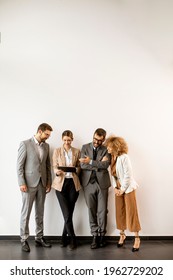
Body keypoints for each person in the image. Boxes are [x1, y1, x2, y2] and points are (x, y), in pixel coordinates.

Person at [17, 123, 53, 252]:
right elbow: (19, 166)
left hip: (42, 184)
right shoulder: (25, 144)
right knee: (26, 212)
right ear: (39, 131)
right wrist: (21, 182)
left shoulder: (47, 146)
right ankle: (24, 239)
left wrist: (49, 182)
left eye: (49, 135)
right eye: (46, 134)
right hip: (28, 184)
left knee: (40, 212)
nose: (48, 137)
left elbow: (48, 166)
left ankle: (39, 237)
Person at [105, 136, 141, 252]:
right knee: (119, 211)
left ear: (116, 147)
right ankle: (122, 234)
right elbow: (113, 175)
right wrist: (115, 187)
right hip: (118, 188)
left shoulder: (124, 157)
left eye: (110, 147)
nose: (108, 149)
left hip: (128, 188)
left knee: (132, 212)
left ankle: (137, 238)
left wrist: (123, 189)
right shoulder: (111, 158)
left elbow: (128, 175)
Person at [79, 128, 111, 249]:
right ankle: (94, 235)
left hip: (102, 183)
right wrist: (98, 164)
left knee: (102, 211)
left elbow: (106, 165)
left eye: (100, 141)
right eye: (95, 139)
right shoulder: (85, 147)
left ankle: (102, 235)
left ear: (103, 140)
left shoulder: (106, 149)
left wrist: (91, 162)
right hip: (88, 183)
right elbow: (82, 165)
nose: (96, 142)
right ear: (93, 136)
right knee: (91, 210)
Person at [51, 130, 81, 250]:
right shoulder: (57, 151)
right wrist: (57, 172)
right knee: (67, 213)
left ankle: (64, 237)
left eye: (69, 140)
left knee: (69, 213)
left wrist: (76, 169)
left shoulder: (77, 151)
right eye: (65, 140)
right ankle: (73, 238)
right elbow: (54, 166)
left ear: (72, 140)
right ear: (62, 140)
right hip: (60, 185)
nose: (67, 142)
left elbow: (79, 167)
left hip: (73, 184)